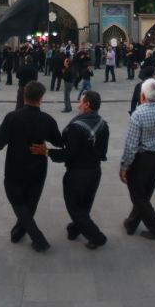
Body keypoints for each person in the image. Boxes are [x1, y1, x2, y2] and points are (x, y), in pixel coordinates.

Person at [0, 81, 62, 252]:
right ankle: (18, 232)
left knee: (18, 203)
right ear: (41, 99)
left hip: (15, 169)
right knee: (30, 205)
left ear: (24, 96)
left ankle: (38, 238)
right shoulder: (47, 120)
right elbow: (59, 141)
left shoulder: (12, 118)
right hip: (38, 170)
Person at [37, 90, 109, 248]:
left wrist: (47, 152)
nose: (79, 104)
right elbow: (103, 152)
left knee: (74, 208)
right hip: (95, 172)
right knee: (84, 206)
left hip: (77, 174)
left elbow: (67, 155)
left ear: (87, 105)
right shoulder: (103, 124)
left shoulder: (77, 127)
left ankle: (97, 237)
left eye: (81, 101)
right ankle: (74, 230)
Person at [120, 78, 155, 239]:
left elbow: (131, 144)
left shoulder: (138, 114)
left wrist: (124, 166)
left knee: (138, 196)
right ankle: (131, 224)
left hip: (141, 160)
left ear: (142, 95)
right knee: (144, 194)